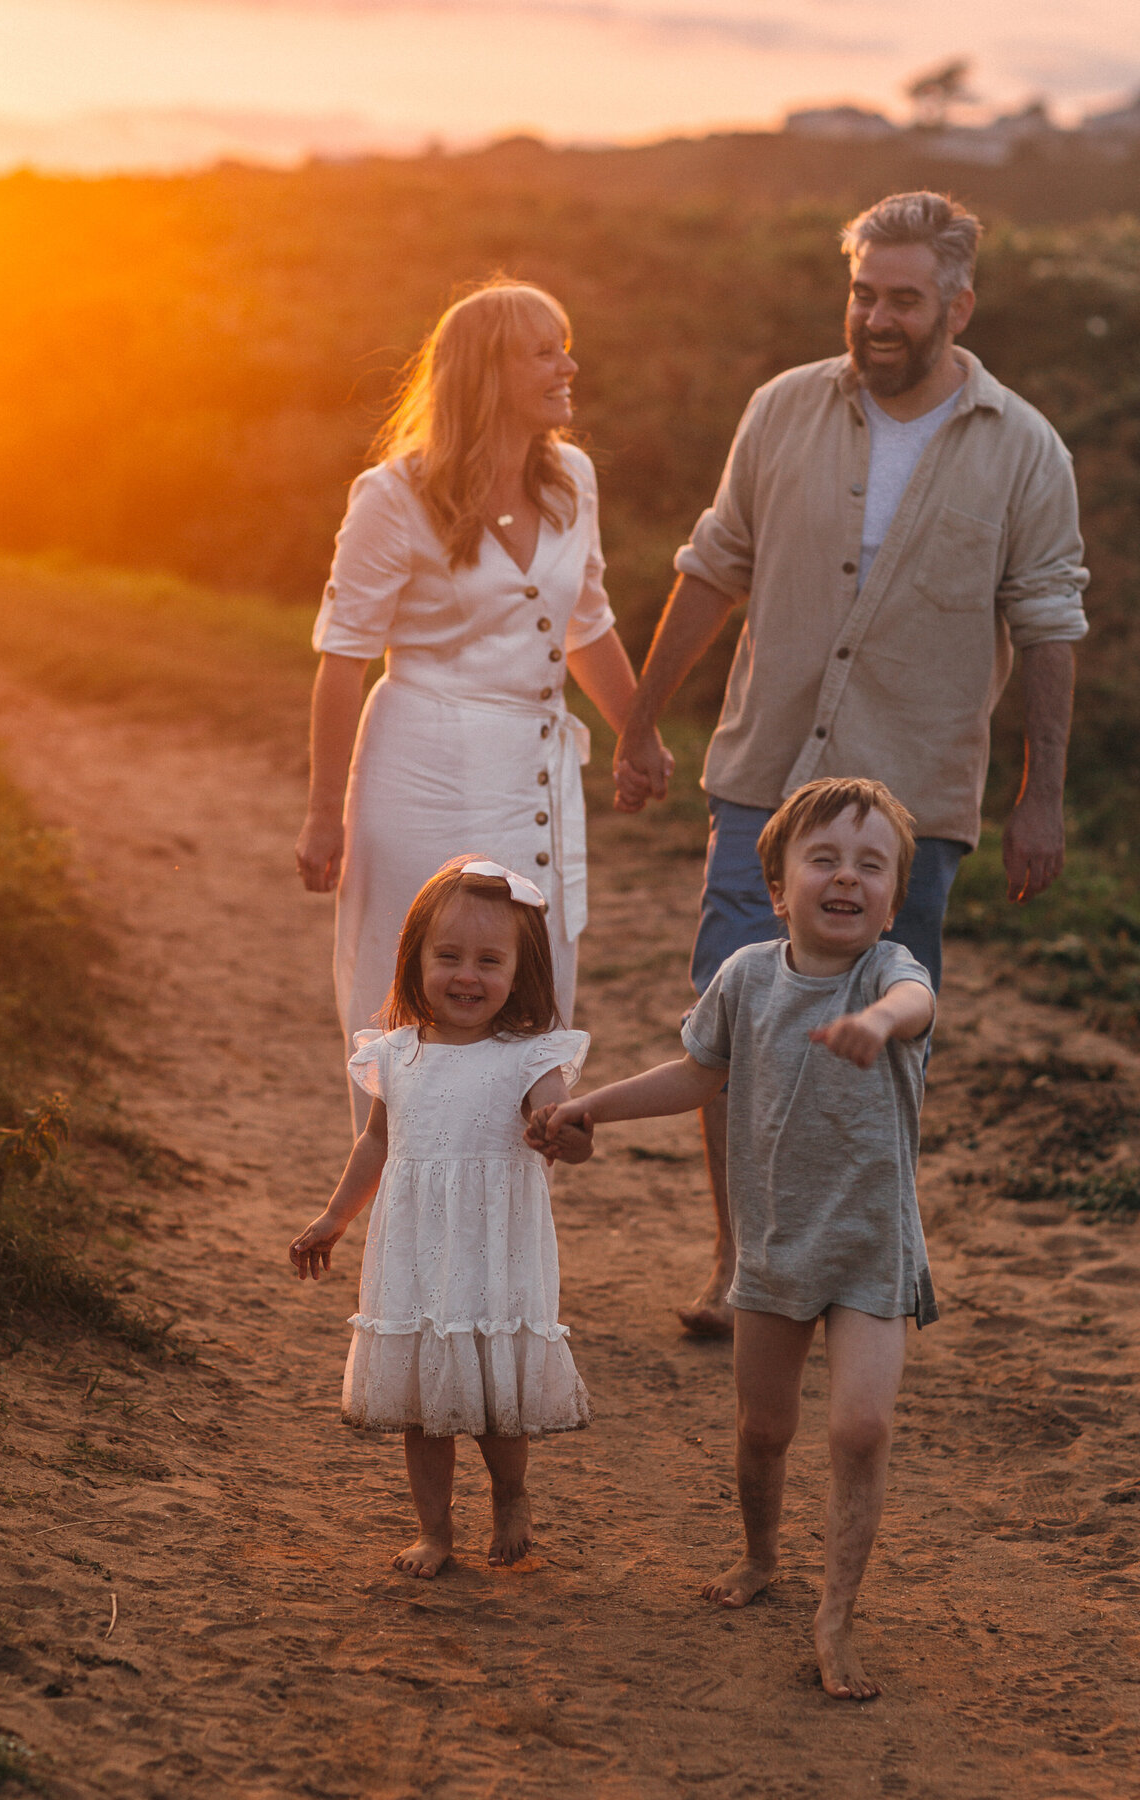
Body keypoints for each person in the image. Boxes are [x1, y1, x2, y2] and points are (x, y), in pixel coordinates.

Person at [612, 191, 1089, 1336]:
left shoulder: (1023, 447)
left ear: (958, 306)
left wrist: (1043, 800)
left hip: (914, 801)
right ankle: (743, 1262)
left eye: (904, 298)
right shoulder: (781, 409)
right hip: (764, 779)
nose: (877, 316)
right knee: (731, 1018)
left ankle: (860, 1263)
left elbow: (1052, 623)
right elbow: (714, 565)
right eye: (863, 292)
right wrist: (638, 719)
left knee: (885, 1037)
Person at [530, 777, 937, 1701]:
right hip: (776, 1250)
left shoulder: (889, 976)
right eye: (824, 859)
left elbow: (916, 1003)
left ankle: (835, 1615)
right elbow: (693, 1075)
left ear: (895, 896)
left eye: (871, 866)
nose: (847, 878)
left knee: (861, 1425)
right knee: (763, 1428)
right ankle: (760, 1559)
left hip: (873, 1248)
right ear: (777, 885)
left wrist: (874, 1023)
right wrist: (592, 1107)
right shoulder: (747, 976)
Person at [295, 278, 659, 1128]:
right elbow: (342, 659)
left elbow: (588, 621)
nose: (569, 365)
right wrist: (323, 816)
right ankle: (400, 1210)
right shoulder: (393, 495)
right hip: (419, 770)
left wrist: (636, 735)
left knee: (528, 994)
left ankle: (503, 1222)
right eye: (545, 350)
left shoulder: (572, 479)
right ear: (486, 373)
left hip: (532, 779)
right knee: (418, 1000)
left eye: (564, 345)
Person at [289, 857, 594, 1581]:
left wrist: (568, 1135)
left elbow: (566, 1128)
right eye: (448, 956)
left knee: (491, 1395)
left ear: (520, 971)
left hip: (493, 1252)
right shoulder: (395, 1056)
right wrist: (334, 1217)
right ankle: (434, 1530)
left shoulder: (529, 1057)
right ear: (414, 958)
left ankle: (511, 1495)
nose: (467, 975)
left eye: (490, 960)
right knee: (423, 1403)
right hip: (417, 1253)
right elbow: (376, 1141)